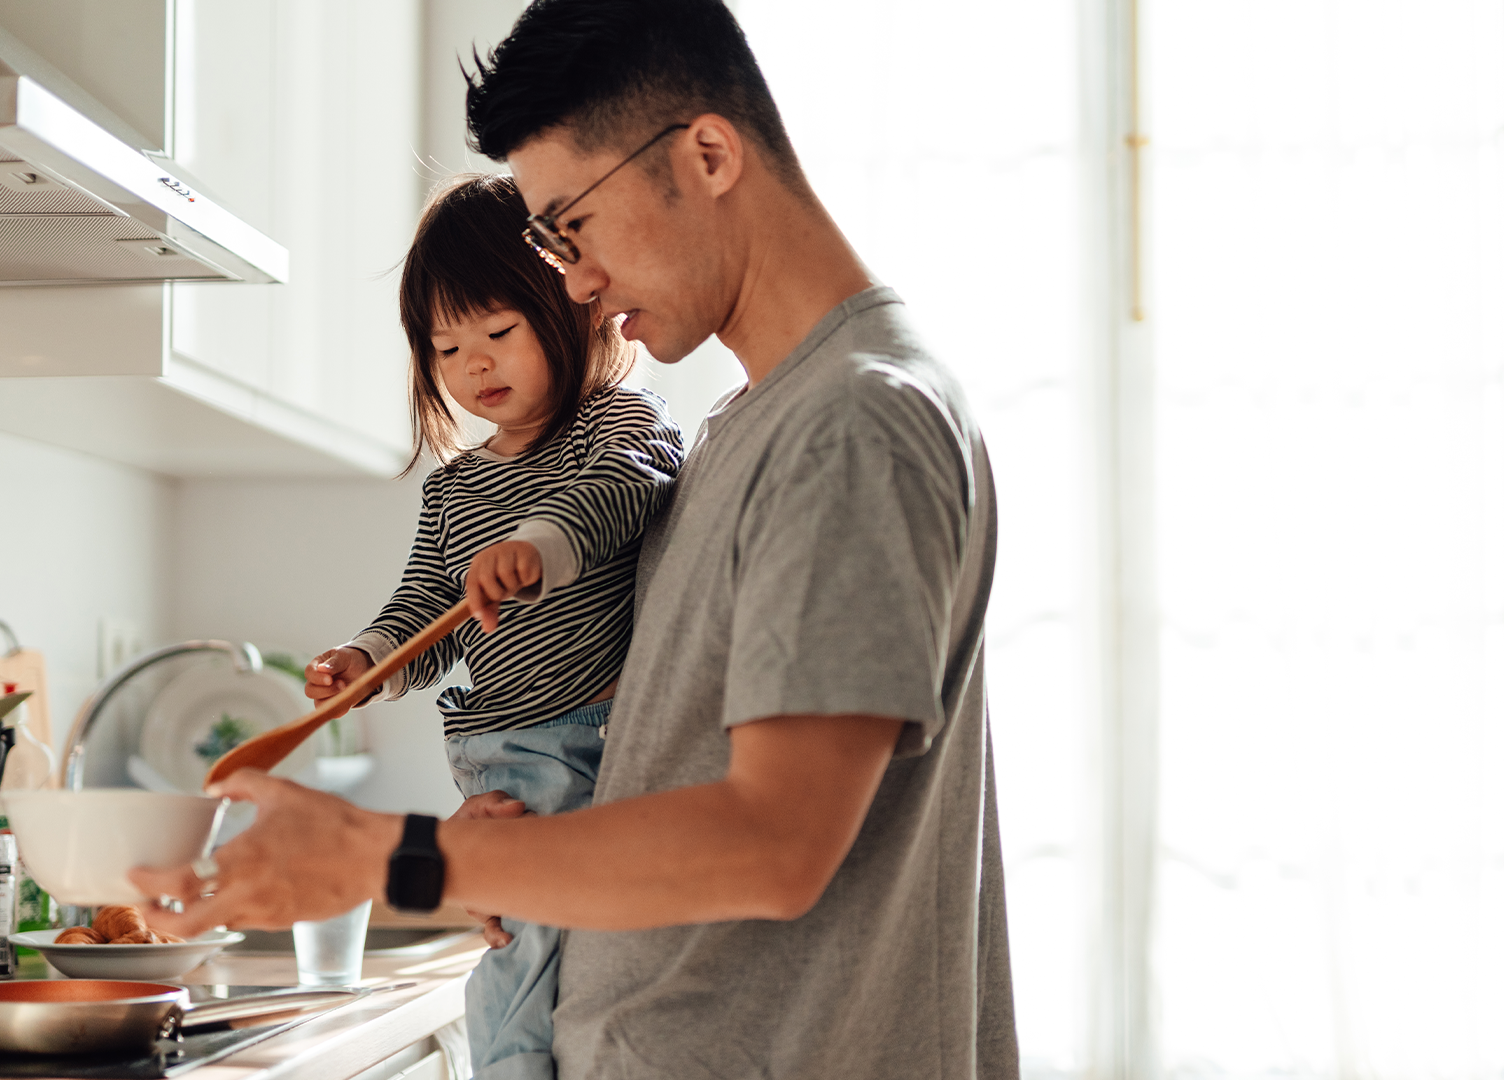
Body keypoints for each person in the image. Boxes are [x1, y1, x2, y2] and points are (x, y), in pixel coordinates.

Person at [136, 2, 1018, 1077]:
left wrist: (402, 856)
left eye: (571, 226)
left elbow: (775, 845)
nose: (573, 279)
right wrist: (513, 855)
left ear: (705, 154)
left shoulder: (850, 422)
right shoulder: (758, 424)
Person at [299, 172, 682, 1080]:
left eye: (499, 333)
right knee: (519, 951)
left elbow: (629, 484)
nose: (476, 366)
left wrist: (541, 546)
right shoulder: (454, 488)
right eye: (447, 348)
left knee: (524, 962)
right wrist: (367, 661)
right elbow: (420, 610)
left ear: (573, 310)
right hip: (496, 757)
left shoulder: (613, 423)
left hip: (584, 740)